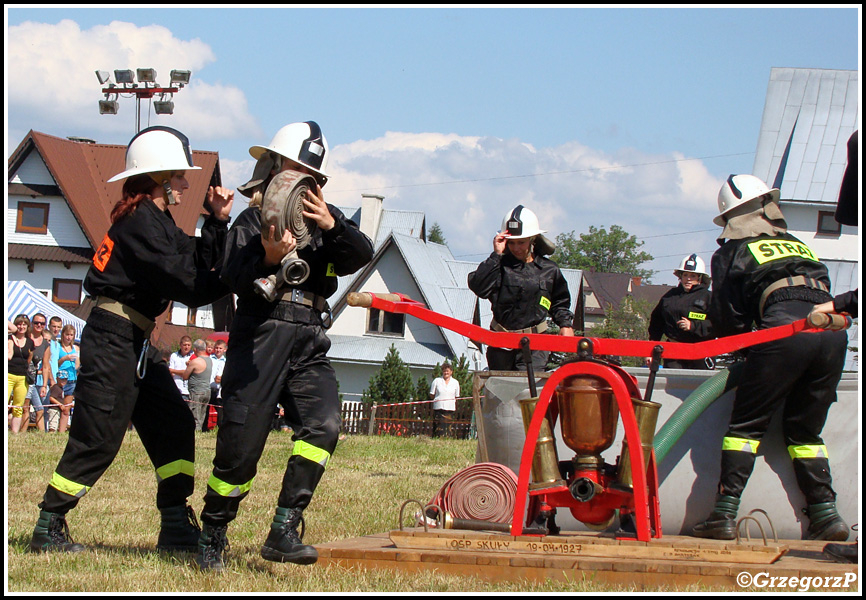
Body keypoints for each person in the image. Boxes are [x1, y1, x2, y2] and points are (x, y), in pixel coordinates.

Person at [29, 125, 234, 554]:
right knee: (100, 437)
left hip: (135, 340)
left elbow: (194, 256)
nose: (184, 183)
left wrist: (217, 222)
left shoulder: (153, 219)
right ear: (159, 178)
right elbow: (190, 284)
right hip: (113, 339)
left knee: (174, 423)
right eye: (179, 175)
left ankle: (175, 523)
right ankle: (49, 524)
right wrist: (238, 278)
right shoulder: (141, 222)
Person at [196, 121, 374, 571]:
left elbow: (361, 253)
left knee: (324, 426)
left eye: (312, 174)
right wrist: (270, 259)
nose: (303, 180)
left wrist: (332, 225)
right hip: (261, 336)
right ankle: (212, 535)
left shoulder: (324, 219)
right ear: (273, 167)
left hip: (309, 335)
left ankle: (284, 528)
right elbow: (231, 276)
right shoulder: (252, 220)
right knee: (238, 450)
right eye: (295, 168)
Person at [691, 174, 849, 543]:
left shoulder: (731, 252)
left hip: (783, 333)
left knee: (745, 430)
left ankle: (724, 514)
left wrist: (748, 352)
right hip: (831, 334)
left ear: (732, 220)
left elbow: (728, 318)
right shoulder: (798, 245)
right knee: (805, 432)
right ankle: (826, 515)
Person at [468, 205, 574, 372]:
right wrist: (496, 254)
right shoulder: (498, 266)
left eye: (521, 242)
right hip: (501, 344)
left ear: (533, 239)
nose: (516, 248)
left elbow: (560, 302)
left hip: (535, 346)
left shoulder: (549, 270)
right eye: (512, 243)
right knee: (501, 392)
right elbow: (479, 287)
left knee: (527, 393)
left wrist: (565, 325)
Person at [646, 254, 715, 369]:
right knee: (674, 385)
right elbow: (656, 325)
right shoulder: (670, 297)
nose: (688, 279)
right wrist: (651, 352)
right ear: (680, 276)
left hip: (701, 353)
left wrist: (693, 326)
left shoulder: (709, 298)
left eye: (693, 276)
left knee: (700, 386)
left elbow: (718, 325)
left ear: (700, 278)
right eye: (685, 275)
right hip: (674, 353)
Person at [23, 313, 50, 432]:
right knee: (25, 408)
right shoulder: (25, 337)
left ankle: (42, 435)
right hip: (20, 376)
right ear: (32, 324)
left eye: (42, 323)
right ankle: (20, 433)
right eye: (36, 323)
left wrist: (44, 385)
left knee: (39, 409)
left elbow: (45, 366)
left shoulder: (45, 344)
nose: (39, 325)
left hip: (32, 379)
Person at [8, 314, 35, 434]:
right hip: (8, 374)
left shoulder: (30, 342)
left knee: (18, 407)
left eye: (24, 324)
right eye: (19, 323)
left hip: (23, 377)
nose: (21, 326)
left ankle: (14, 433)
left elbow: (29, 359)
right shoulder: (9, 338)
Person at [183, 339, 213, 432]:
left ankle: (195, 433)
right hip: (207, 391)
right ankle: (199, 431)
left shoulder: (196, 361)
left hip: (197, 392)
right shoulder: (210, 360)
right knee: (202, 415)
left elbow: (185, 376)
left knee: (194, 416)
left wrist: (188, 365)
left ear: (195, 349)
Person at [429, 362, 460, 438]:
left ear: (451, 372)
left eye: (447, 371)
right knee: (438, 427)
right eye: (444, 371)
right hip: (438, 408)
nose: (446, 373)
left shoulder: (455, 382)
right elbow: (431, 394)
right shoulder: (436, 381)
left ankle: (447, 439)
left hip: (450, 408)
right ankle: (436, 438)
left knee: (448, 428)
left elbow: (457, 396)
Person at [169, 336, 193, 407]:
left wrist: (176, 371)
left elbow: (189, 373)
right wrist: (184, 372)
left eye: (189, 345)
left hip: (189, 391)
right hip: (177, 389)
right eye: (185, 345)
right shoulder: (174, 355)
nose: (187, 347)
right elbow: (170, 371)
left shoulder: (193, 356)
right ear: (180, 345)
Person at [208, 339, 227, 429]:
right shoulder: (209, 359)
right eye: (216, 348)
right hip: (209, 387)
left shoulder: (226, 361)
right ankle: (204, 429)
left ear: (224, 350)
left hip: (219, 389)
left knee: (220, 411)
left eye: (220, 348)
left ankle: (220, 428)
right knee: (206, 410)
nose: (218, 350)